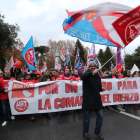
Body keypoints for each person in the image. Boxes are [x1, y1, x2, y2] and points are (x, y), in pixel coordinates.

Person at [81, 61, 105, 140]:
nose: (93, 67)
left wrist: (101, 89)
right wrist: (92, 73)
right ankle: (85, 132)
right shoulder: (87, 74)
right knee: (87, 118)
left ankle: (97, 131)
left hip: (97, 100)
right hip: (88, 100)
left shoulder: (98, 76)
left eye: (94, 66)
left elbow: (98, 87)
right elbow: (82, 77)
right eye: (91, 66)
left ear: (96, 66)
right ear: (89, 67)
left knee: (100, 116)